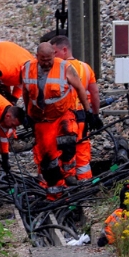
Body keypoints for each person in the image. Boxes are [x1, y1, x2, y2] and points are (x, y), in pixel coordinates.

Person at [20, 42, 91, 200]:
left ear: (54, 55)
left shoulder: (64, 67)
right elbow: (26, 92)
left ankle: (69, 175)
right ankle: (56, 190)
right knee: (47, 158)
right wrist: (27, 114)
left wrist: (89, 112)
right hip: (42, 120)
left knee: (69, 142)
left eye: (49, 59)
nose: (46, 63)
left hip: (62, 115)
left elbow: (80, 88)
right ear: (37, 56)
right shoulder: (27, 69)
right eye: (43, 59)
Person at [50, 34, 102, 182]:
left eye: (55, 53)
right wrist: (94, 114)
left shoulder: (58, 69)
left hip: (64, 119)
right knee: (82, 150)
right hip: (82, 116)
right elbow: (95, 93)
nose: (53, 57)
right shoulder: (86, 68)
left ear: (64, 50)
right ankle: (85, 184)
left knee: (64, 152)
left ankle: (67, 185)